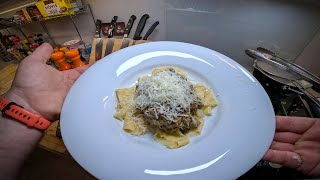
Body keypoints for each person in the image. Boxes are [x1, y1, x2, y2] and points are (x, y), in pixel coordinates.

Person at [0, 43, 319, 179]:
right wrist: (27, 104)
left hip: (180, 104)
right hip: (151, 106)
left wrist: (24, 105)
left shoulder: (193, 98)